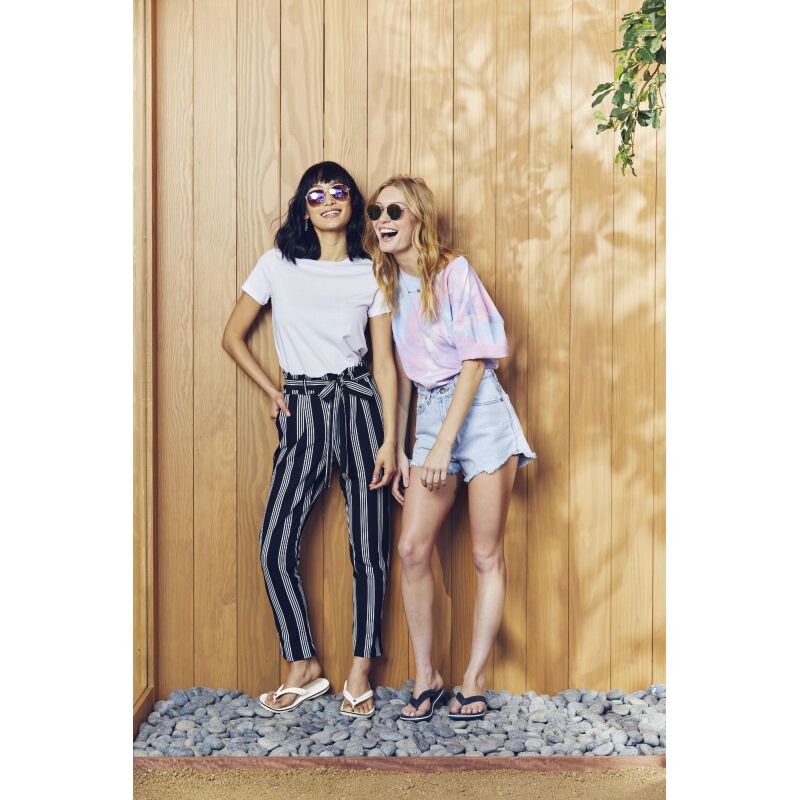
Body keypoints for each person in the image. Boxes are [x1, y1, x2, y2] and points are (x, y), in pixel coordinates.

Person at [222, 161, 396, 718]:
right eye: (315, 194)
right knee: (275, 544)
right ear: (304, 207)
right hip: (303, 407)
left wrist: (392, 440)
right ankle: (302, 664)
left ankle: (360, 670)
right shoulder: (277, 264)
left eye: (338, 190)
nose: (328, 200)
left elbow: (385, 363)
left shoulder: (371, 272)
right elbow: (232, 336)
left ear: (352, 202)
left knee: (369, 547)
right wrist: (273, 391)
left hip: (360, 405)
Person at [364, 175, 535, 722]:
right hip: (432, 413)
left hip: (479, 412)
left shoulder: (454, 272)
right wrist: (400, 446)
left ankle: (474, 679)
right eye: (376, 212)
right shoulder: (387, 282)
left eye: (394, 211)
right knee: (413, 549)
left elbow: (476, 360)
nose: (382, 220)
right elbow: (400, 374)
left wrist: (442, 447)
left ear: (419, 217)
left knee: (485, 554)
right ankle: (428, 675)